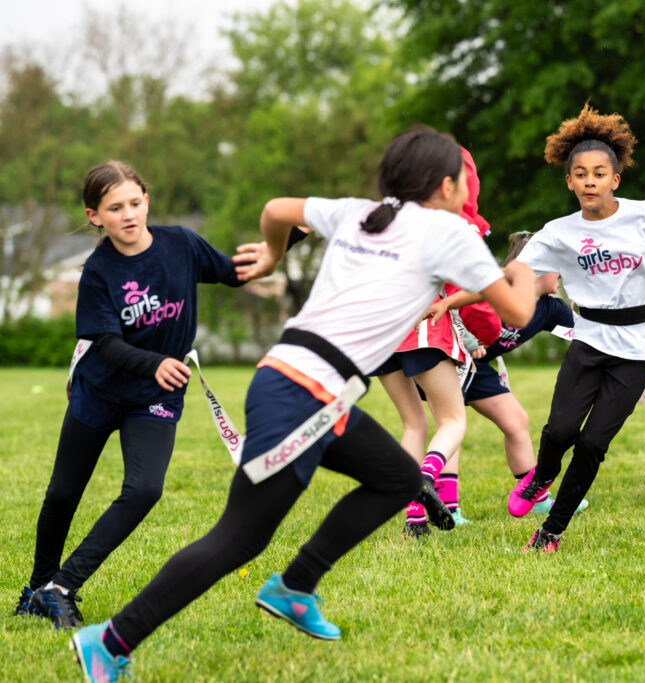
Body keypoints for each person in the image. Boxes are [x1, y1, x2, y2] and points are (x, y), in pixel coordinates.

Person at [69, 125, 536, 682]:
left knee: (396, 478)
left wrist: (269, 254)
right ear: (447, 184)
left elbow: (277, 209)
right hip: (303, 396)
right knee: (237, 539)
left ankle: (296, 586)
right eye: (467, 177)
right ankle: (111, 640)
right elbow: (518, 314)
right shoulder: (450, 233)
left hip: (302, 386)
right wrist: (528, 267)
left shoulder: (359, 212)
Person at [13, 161, 297, 630]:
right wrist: (155, 362)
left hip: (154, 398)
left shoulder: (181, 245)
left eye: (134, 202)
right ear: (94, 216)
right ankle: (37, 588)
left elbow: (233, 272)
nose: (128, 214)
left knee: (145, 489)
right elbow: (105, 341)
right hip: (99, 391)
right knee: (63, 493)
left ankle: (62, 587)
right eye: (114, 208)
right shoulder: (99, 271)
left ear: (147, 200)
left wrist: (291, 237)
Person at [504, 103, 645, 552]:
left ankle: (551, 531)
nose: (591, 181)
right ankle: (540, 477)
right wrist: (455, 298)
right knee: (559, 432)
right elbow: (509, 275)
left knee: (591, 444)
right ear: (569, 181)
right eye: (582, 174)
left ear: (615, 180)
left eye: (599, 173)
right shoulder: (558, 232)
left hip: (641, 345)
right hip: (589, 339)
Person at [369, 147, 499, 535]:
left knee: (412, 424)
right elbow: (472, 290)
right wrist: (488, 334)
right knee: (453, 419)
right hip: (425, 325)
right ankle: (426, 477)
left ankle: (413, 517)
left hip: (380, 333)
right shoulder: (451, 225)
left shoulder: (383, 219)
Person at [427, 231, 588, 516]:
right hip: (448, 361)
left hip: (479, 369)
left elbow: (587, 335)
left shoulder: (551, 309)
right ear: (535, 269)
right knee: (453, 426)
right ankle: (448, 507)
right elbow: (452, 308)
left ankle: (535, 498)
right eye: (556, 266)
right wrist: (468, 341)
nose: (561, 274)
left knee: (516, 420)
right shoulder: (497, 292)